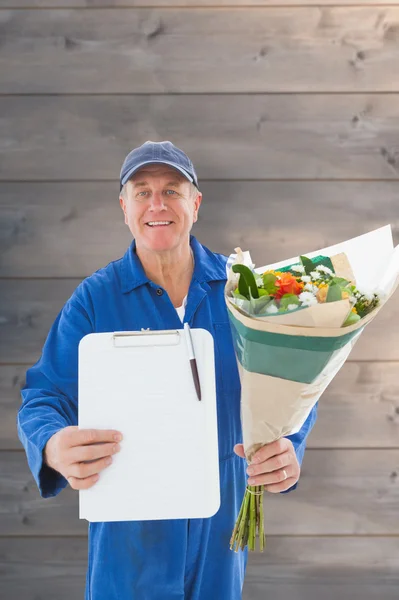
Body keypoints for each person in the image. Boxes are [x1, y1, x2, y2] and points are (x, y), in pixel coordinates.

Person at [17, 140, 318, 600]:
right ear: (124, 207)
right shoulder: (95, 300)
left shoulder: (243, 290)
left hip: (220, 531)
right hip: (129, 540)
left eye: (172, 190)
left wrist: (290, 446)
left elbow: (295, 381)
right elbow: (44, 397)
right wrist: (52, 445)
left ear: (195, 204)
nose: (157, 204)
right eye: (142, 192)